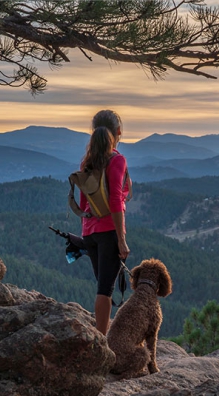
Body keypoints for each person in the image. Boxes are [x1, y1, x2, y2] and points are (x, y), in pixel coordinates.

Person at [80, 110, 131, 335]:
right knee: (105, 290)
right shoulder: (117, 159)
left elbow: (83, 204)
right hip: (109, 232)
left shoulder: (88, 161)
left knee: (103, 285)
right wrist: (121, 240)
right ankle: (102, 344)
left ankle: (101, 337)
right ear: (119, 132)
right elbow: (115, 201)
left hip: (89, 233)